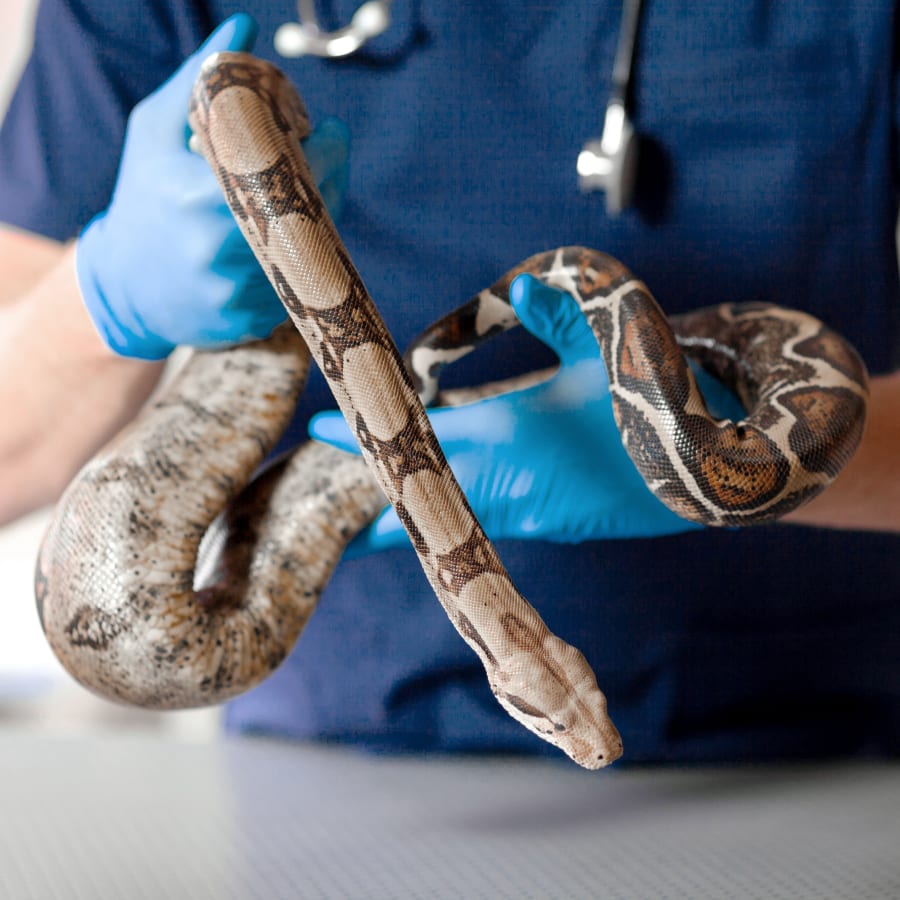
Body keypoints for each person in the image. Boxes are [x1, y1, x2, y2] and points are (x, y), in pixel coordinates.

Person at [1, 0, 898, 763]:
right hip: (332, 750)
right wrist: (104, 296)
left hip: (819, 741)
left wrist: (729, 464)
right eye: (564, 710)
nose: (590, 737)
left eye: (563, 710)